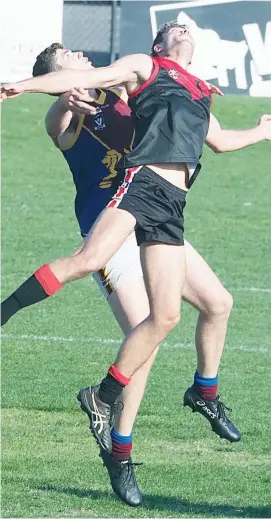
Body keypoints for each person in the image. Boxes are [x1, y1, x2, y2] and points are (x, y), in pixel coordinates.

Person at [1, 22, 271, 485]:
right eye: (70, 55)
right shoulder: (75, 106)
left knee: (215, 303)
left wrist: (258, 127)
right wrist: (46, 93)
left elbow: (214, 138)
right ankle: (119, 451)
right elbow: (58, 120)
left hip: (153, 211)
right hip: (116, 220)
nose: (81, 56)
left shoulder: (140, 89)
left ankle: (203, 392)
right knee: (142, 336)